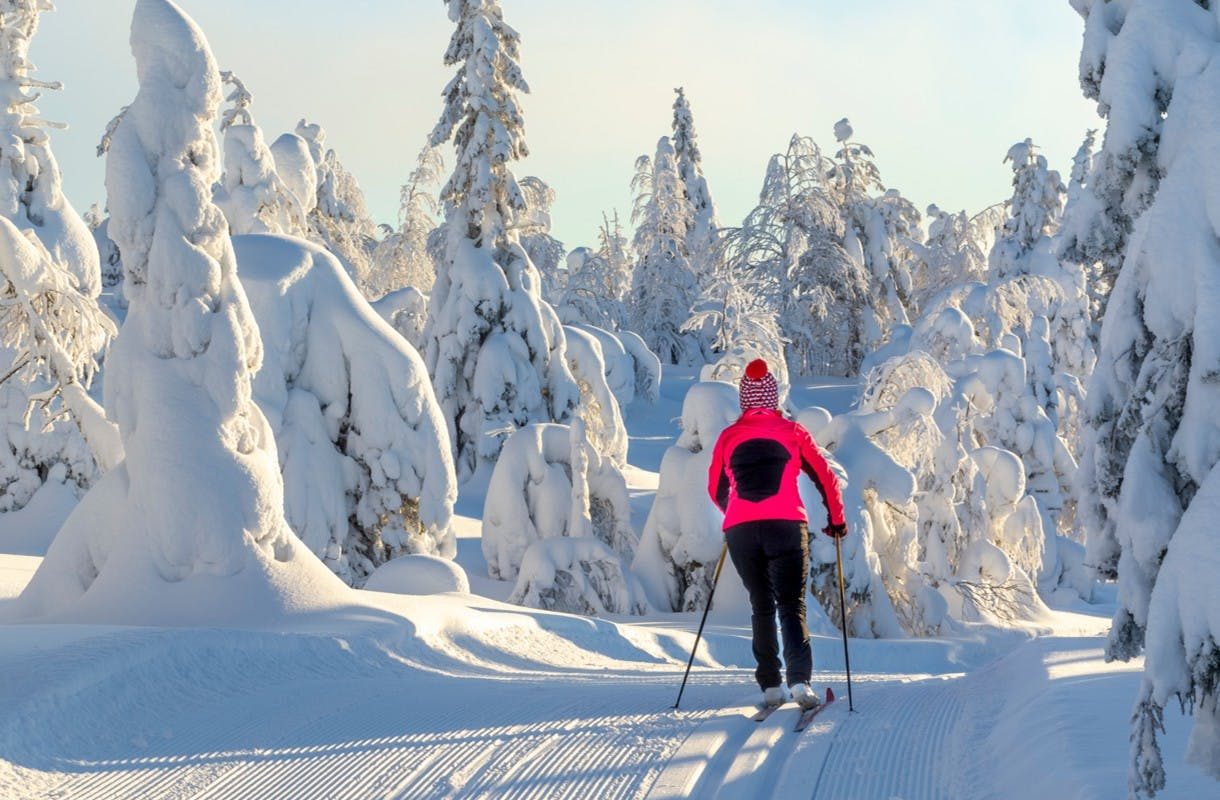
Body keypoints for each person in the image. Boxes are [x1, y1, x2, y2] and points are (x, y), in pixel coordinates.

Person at [707, 359, 847, 711]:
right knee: (790, 603)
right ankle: (800, 682)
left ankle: (770, 685)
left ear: (744, 399)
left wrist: (737, 513)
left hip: (741, 530)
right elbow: (824, 476)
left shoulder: (728, 437)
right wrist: (836, 520)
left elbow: (715, 488)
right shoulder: (793, 432)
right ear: (772, 398)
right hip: (786, 526)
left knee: (761, 605)